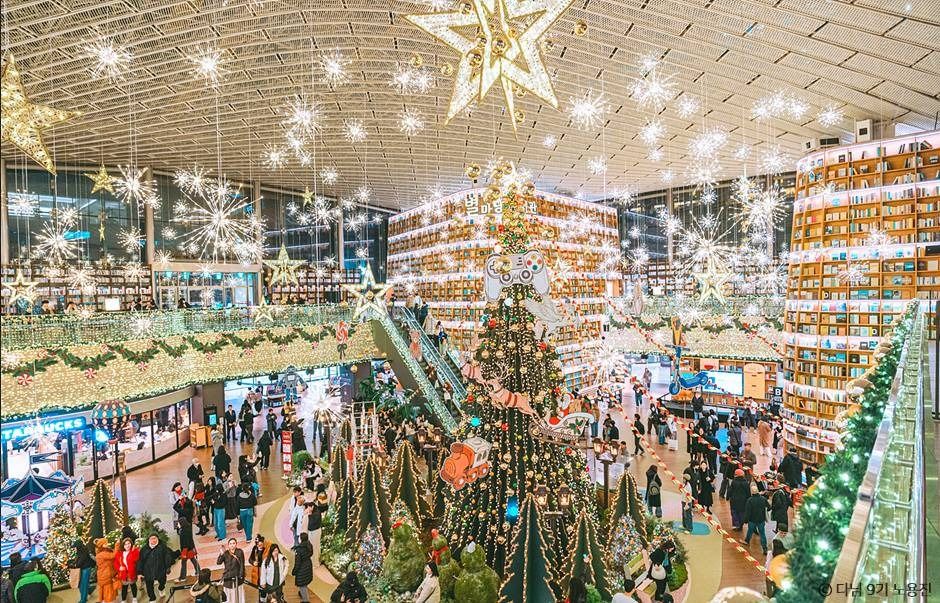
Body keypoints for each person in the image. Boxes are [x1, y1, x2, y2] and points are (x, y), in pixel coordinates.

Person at [137, 534, 174, 603]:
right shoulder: (144, 549)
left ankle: (161, 588)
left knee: (163, 581)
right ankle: (152, 598)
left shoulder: (162, 547)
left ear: (157, 539)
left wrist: (168, 567)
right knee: (149, 586)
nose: (153, 540)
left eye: (155, 538)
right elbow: (140, 561)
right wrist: (139, 572)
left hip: (160, 569)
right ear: (149, 540)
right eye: (152, 538)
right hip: (148, 571)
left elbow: (167, 557)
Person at [743, 484, 769, 555]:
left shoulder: (749, 500)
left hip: (752, 520)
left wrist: (745, 520)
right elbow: (769, 507)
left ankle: (747, 541)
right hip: (761, 519)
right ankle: (764, 548)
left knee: (750, 531)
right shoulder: (763, 499)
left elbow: (747, 512)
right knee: (762, 534)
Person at [218, 538, 246, 603]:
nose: (232, 545)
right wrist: (221, 554)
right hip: (227, 577)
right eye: (230, 544)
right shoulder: (225, 553)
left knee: (237, 591)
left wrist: (241, 575)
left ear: (236, 544)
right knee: (228, 592)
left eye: (234, 543)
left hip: (237, 577)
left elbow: (242, 564)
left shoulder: (239, 552)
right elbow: (218, 562)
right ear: (228, 545)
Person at [114, 537, 140, 603]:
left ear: (131, 544)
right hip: (123, 574)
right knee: (124, 587)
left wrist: (134, 551)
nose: (127, 545)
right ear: (123, 545)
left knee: (133, 586)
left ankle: (134, 598)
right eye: (125, 544)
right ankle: (123, 600)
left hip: (132, 573)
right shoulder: (120, 553)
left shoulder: (134, 551)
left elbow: (136, 559)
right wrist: (119, 567)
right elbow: (115, 563)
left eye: (129, 543)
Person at [71, 539, 96, 603]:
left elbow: (80, 562)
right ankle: (89, 590)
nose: (75, 548)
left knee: (83, 585)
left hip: (86, 568)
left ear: (78, 546)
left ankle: (83, 599)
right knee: (83, 584)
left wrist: (74, 565)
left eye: (76, 547)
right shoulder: (82, 550)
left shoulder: (83, 551)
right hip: (84, 568)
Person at [95, 538, 119, 603]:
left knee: (104, 592)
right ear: (102, 545)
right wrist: (117, 545)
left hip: (102, 574)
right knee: (108, 592)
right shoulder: (103, 554)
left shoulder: (100, 552)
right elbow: (113, 555)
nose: (107, 544)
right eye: (105, 543)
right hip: (106, 575)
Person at [177, 514, 201, 580]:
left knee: (184, 563)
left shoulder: (184, 531)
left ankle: (183, 577)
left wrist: (184, 552)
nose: (178, 525)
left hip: (186, 549)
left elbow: (185, 542)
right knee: (193, 560)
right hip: (190, 548)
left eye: (178, 523)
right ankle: (198, 571)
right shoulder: (186, 528)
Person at [292, 532, 314, 603]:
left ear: (301, 539)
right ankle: (303, 594)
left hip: (302, 569)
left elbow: (297, 563)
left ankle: (306, 600)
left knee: (302, 585)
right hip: (308, 566)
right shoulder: (309, 545)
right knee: (305, 583)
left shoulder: (299, 550)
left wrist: (294, 571)